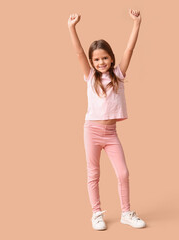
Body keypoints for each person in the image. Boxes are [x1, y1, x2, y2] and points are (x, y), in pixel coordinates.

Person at [68, 9, 146, 231]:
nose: (101, 62)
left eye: (104, 58)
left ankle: (126, 213)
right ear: (92, 63)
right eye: (97, 59)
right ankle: (96, 214)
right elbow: (79, 53)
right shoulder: (90, 76)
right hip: (91, 131)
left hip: (111, 134)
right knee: (93, 173)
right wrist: (71, 28)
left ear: (111, 58)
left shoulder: (118, 75)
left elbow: (130, 48)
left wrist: (136, 24)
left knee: (123, 173)